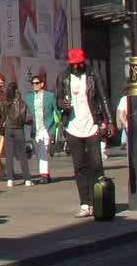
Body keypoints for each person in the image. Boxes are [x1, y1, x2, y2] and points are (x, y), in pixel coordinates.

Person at [57, 48, 112, 219]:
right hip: (73, 127)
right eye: (72, 64)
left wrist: (110, 121)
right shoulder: (63, 77)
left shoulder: (93, 75)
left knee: (96, 165)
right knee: (79, 167)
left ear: (83, 62)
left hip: (91, 125)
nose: (75, 67)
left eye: (78, 64)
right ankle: (85, 203)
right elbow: (58, 98)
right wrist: (62, 104)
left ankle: (98, 202)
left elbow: (103, 98)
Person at [0, 79, 33, 186]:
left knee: (9, 155)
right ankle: (27, 179)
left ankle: (10, 180)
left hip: (8, 129)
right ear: (17, 90)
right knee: (22, 155)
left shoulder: (4, 102)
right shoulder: (21, 103)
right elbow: (28, 118)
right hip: (19, 129)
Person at [26, 72, 59, 183]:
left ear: (42, 84)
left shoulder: (50, 96)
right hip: (35, 128)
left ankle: (44, 176)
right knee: (39, 153)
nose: (34, 85)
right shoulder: (28, 97)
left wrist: (59, 124)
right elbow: (24, 110)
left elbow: (57, 111)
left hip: (47, 127)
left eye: (37, 83)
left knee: (43, 151)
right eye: (32, 83)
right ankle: (46, 174)